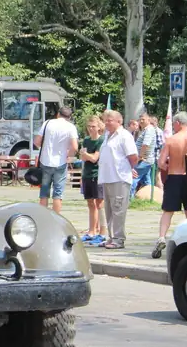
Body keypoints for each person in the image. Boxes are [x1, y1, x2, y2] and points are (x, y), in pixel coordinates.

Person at [152, 111, 187, 258]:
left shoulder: (171, 140)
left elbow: (161, 163)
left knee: (168, 212)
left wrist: (170, 163)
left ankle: (161, 237)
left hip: (174, 177)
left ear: (177, 123)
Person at [97, 110, 138, 250]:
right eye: (105, 120)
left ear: (119, 121)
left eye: (110, 120)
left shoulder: (124, 136)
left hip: (119, 177)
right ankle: (111, 237)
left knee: (118, 209)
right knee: (109, 209)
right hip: (107, 177)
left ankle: (119, 238)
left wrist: (128, 168)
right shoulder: (107, 135)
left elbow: (133, 156)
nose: (107, 122)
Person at [33, 105, 79, 213]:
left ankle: (43, 217)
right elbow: (75, 147)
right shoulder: (71, 127)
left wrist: (46, 148)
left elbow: (37, 142)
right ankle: (56, 219)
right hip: (60, 163)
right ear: (69, 117)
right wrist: (68, 155)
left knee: (44, 192)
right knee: (58, 194)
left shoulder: (47, 123)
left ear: (58, 114)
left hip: (45, 161)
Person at [78, 115, 106, 245]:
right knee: (90, 203)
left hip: (97, 174)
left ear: (99, 127)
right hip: (87, 174)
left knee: (99, 203)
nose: (91, 129)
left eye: (93, 126)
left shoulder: (101, 140)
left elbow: (95, 158)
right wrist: (86, 156)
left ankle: (102, 232)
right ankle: (91, 231)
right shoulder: (87, 140)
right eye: (89, 126)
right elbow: (83, 158)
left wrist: (86, 155)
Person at [132, 111, 158, 193]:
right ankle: (150, 198)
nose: (141, 121)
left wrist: (139, 157)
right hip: (146, 160)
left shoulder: (149, 130)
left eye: (143, 119)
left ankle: (129, 200)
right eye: (140, 120)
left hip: (143, 160)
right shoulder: (146, 130)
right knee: (146, 182)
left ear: (149, 119)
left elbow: (145, 145)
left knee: (133, 179)